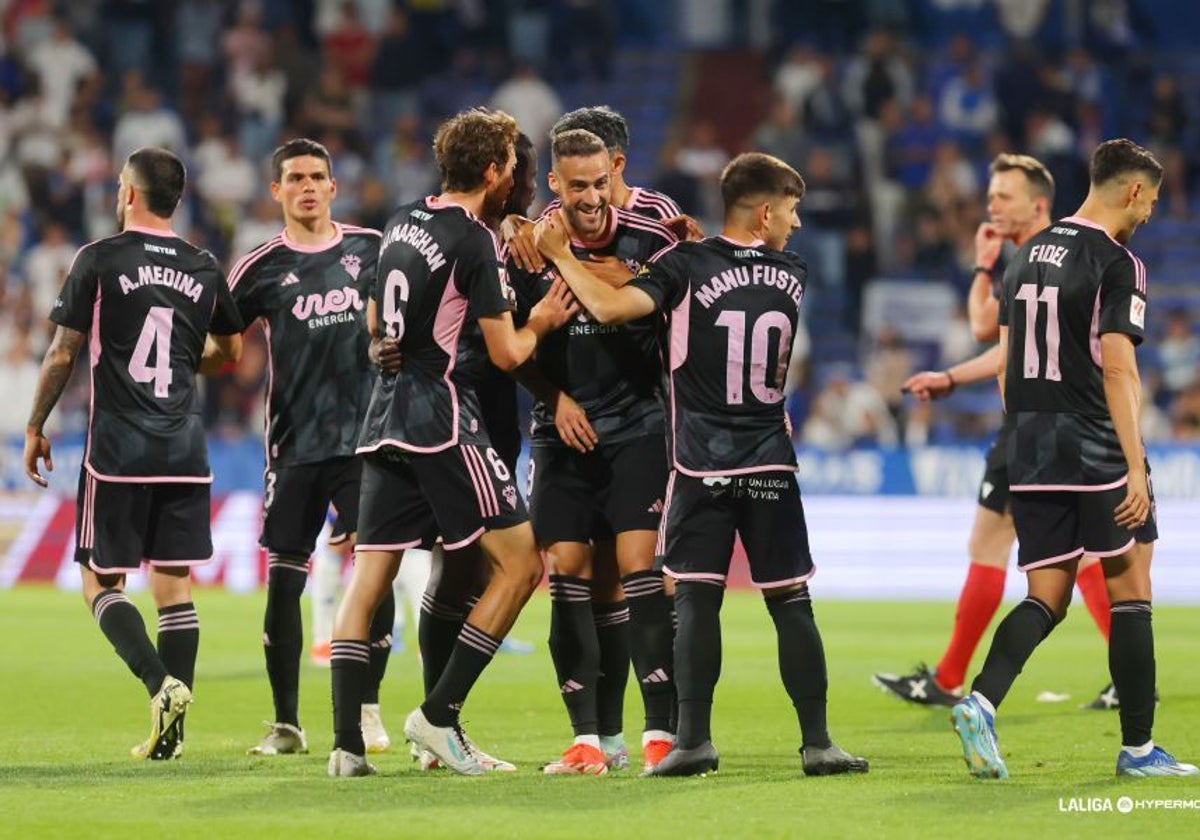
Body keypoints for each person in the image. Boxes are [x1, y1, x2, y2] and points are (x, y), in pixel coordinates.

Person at [535, 151, 869, 778]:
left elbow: (608, 309)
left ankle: (692, 741)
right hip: (771, 461)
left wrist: (557, 255)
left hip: (698, 464)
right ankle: (819, 743)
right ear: (766, 212)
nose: (795, 225)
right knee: (792, 601)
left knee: (695, 601)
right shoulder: (791, 271)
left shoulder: (684, 265)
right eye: (792, 211)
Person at [326, 107, 576, 777]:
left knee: (368, 583)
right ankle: (438, 717)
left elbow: (377, 317)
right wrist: (545, 320)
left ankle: (347, 748)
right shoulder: (474, 241)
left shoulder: (402, 219)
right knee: (523, 564)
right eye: (512, 166)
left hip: (382, 422)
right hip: (442, 424)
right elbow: (505, 353)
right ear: (494, 171)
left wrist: (389, 344)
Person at [951, 138, 1196, 779]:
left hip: (1027, 444)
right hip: (1092, 440)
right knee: (1131, 587)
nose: (1148, 216)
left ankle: (980, 701)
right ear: (1134, 191)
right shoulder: (1118, 262)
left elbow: (1007, 357)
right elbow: (1118, 367)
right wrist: (1136, 464)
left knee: (1048, 592)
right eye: (1152, 202)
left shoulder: (1027, 252)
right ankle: (1140, 750)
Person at [875, 154, 1119, 709]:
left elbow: (989, 331)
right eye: (990, 195)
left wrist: (983, 268)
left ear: (1038, 204)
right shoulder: (1059, 257)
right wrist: (951, 377)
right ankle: (1126, 675)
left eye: (1002, 196)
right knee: (1077, 555)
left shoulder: (1033, 260)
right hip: (1061, 424)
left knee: (1001, 547)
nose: (991, 205)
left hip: (1036, 426)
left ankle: (951, 678)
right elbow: (1003, 343)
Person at [23, 147, 242, 760]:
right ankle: (173, 737)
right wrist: (180, 363)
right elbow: (231, 351)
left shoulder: (100, 258)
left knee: (100, 580)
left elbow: (63, 352)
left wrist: (35, 424)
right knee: (175, 587)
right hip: (184, 443)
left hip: (118, 446)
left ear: (130, 195)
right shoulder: (202, 264)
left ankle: (158, 682)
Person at [226, 138, 393, 757]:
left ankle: (369, 711)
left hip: (366, 443)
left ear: (332, 186)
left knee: (373, 578)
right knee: (283, 584)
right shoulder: (260, 265)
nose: (307, 186)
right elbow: (218, 336)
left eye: (317, 176)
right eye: (294, 177)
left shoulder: (371, 251)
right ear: (276, 191)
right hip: (294, 446)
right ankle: (287, 724)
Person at [518, 128, 678, 775]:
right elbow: (512, 345)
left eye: (598, 183)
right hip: (562, 435)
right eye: (575, 185)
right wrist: (555, 396)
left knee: (638, 569)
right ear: (554, 183)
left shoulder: (650, 241)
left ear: (616, 173)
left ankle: (661, 734)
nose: (589, 197)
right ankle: (591, 740)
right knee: (568, 570)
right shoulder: (526, 250)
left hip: (638, 428)